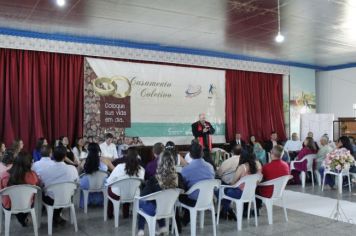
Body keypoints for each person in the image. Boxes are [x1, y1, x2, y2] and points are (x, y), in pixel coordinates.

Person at [137, 151, 178, 236]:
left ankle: (141, 230)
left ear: (160, 162)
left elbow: (143, 196)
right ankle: (162, 227)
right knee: (159, 202)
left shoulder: (154, 179)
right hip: (170, 208)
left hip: (156, 210)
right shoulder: (177, 177)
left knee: (140, 202)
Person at [39, 145, 79, 226]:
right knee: (62, 193)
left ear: (52, 156)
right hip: (67, 198)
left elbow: (42, 184)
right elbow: (77, 183)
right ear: (65, 157)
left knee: (42, 192)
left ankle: (54, 216)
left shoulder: (45, 170)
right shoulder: (72, 169)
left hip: (51, 199)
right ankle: (56, 216)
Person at [179, 142, 215, 225]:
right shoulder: (210, 166)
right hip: (208, 199)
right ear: (202, 153)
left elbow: (183, 185)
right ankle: (186, 218)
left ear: (190, 155)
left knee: (181, 194)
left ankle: (180, 220)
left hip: (193, 201)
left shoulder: (186, 169)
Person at [219, 149, 261, 219]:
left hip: (240, 193)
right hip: (251, 193)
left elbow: (233, 183)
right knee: (226, 190)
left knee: (221, 190)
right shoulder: (258, 165)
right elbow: (258, 180)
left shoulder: (242, 167)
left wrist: (229, 183)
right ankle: (225, 211)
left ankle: (228, 210)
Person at [0, 152, 39, 227]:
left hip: (9, 205)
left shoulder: (4, 175)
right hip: (27, 205)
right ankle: (22, 218)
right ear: (29, 163)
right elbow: (37, 186)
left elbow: (1, 191)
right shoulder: (33, 175)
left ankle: (21, 218)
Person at [106, 147, 145, 219]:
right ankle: (126, 214)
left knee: (111, 188)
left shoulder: (119, 167)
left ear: (126, 155)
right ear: (137, 156)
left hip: (118, 194)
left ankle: (110, 214)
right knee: (129, 188)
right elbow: (142, 182)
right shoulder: (141, 169)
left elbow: (109, 181)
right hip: (134, 194)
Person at [256, 145, 290, 212]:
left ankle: (256, 209)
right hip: (279, 191)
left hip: (268, 192)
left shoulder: (266, 167)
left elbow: (258, 180)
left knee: (255, 187)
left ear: (271, 154)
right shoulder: (286, 165)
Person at [79, 143, 108, 208]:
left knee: (82, 179)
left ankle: (86, 202)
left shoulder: (85, 160)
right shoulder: (104, 160)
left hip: (88, 184)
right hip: (101, 184)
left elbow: (78, 171)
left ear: (88, 150)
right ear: (99, 150)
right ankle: (99, 201)